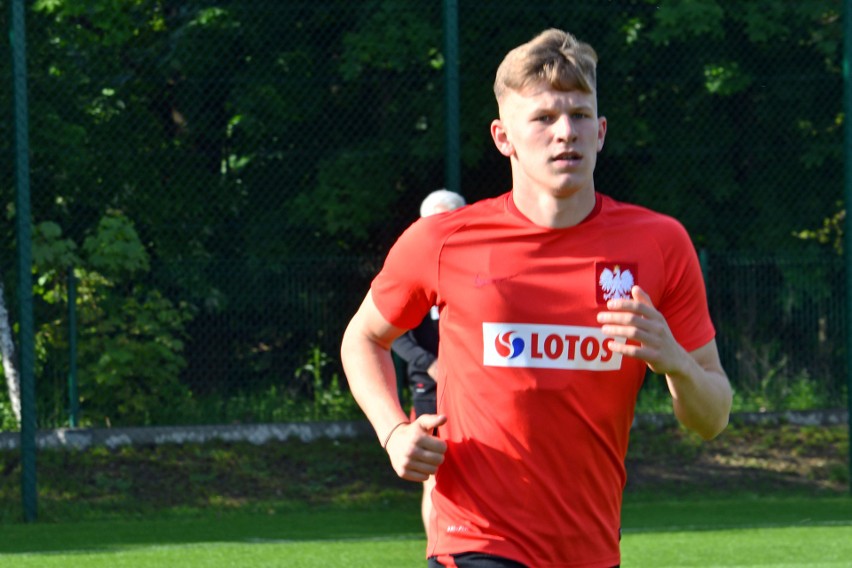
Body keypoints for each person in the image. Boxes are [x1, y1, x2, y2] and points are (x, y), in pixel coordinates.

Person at [341, 28, 732, 568]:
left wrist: (676, 363)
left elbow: (712, 417)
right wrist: (393, 433)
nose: (564, 132)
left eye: (578, 114)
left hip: (590, 549)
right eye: (544, 118)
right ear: (504, 137)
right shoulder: (443, 240)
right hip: (476, 540)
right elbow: (362, 338)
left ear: (600, 131)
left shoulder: (659, 243)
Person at [392, 189, 466, 539]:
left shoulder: (478, 271)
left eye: (448, 220)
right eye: (432, 222)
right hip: (429, 386)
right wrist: (429, 362)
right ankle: (439, 547)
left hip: (472, 386)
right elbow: (391, 334)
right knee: (434, 476)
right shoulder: (413, 269)